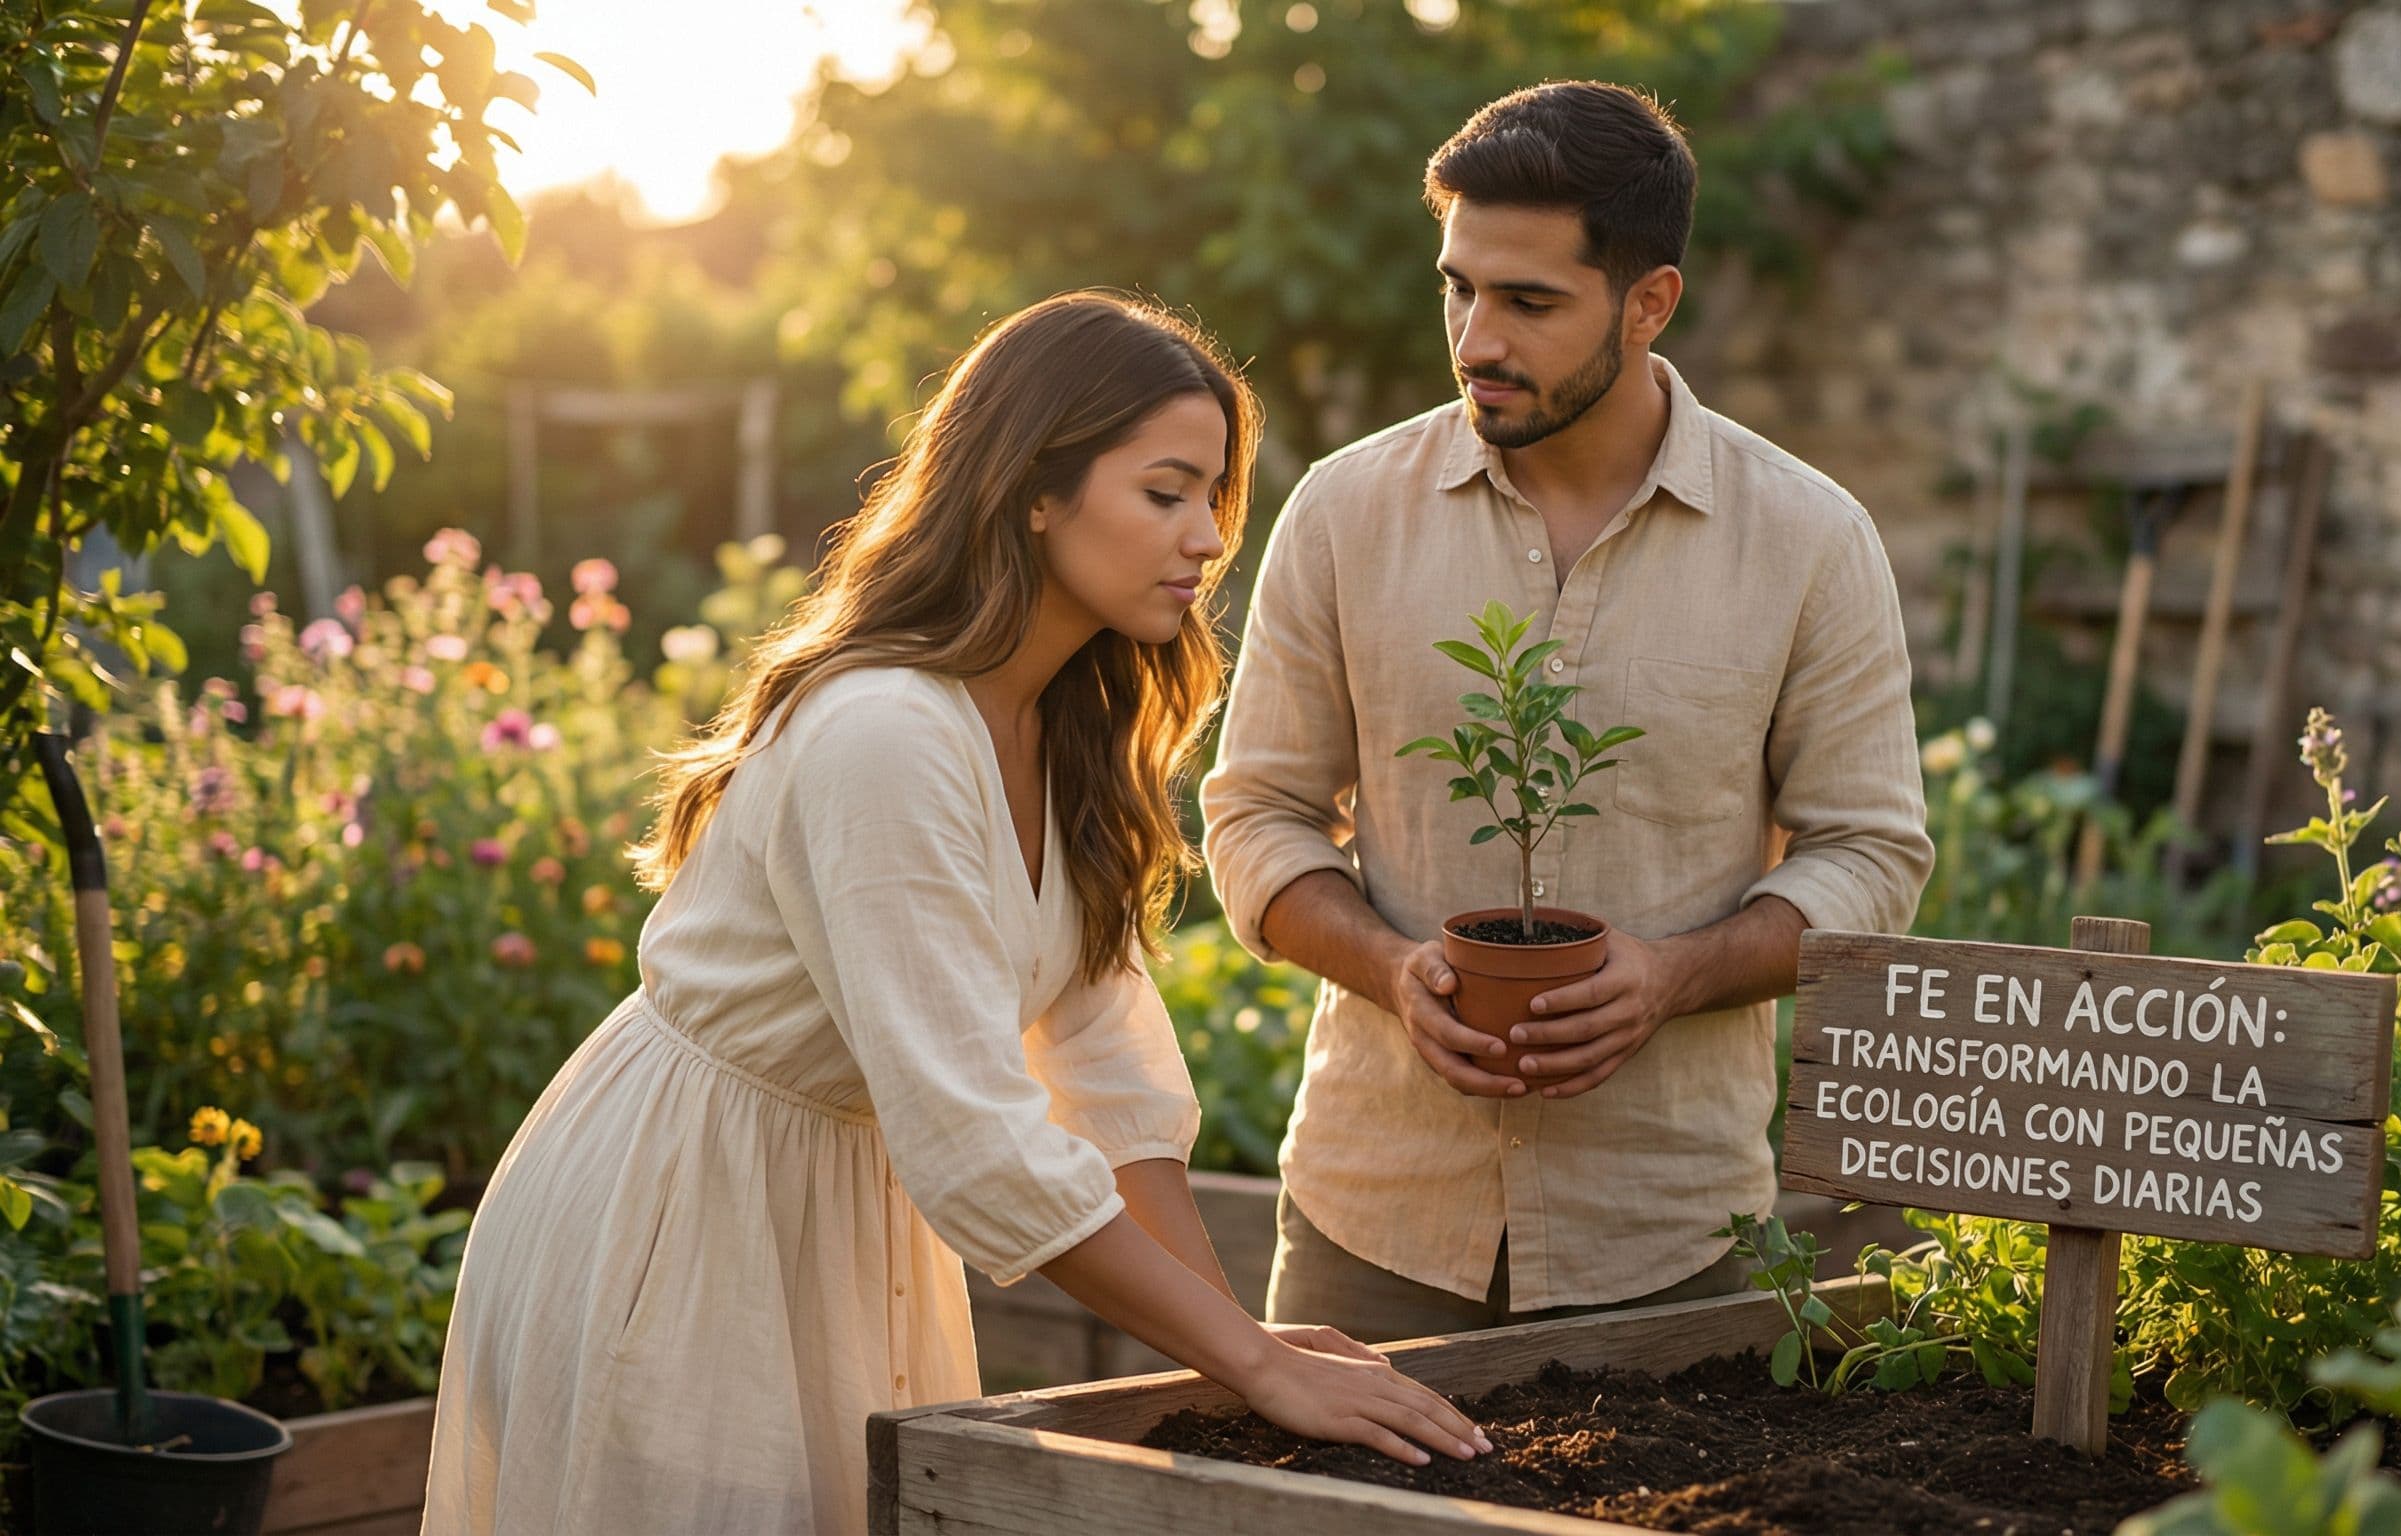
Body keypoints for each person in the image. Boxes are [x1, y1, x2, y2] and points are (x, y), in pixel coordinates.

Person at [423, 292, 1487, 1536]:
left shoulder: (1062, 727)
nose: (1205, 539)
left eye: (1215, 499)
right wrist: (1254, 1366)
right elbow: (976, 1138)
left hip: (837, 1214)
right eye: (1165, 493)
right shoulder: (887, 731)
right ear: (1035, 488)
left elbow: (1107, 1078)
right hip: (687, 1213)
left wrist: (1232, 1349)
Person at [1202, 83, 1935, 1342]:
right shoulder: (1341, 513)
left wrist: (1671, 977)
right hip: (1370, 1222)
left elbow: (1871, 854)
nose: (1476, 338)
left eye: (1529, 302)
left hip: (1670, 1235)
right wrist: (1389, 968)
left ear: (1648, 302)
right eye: (1458, 287)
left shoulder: (1808, 540)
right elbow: (1255, 815)